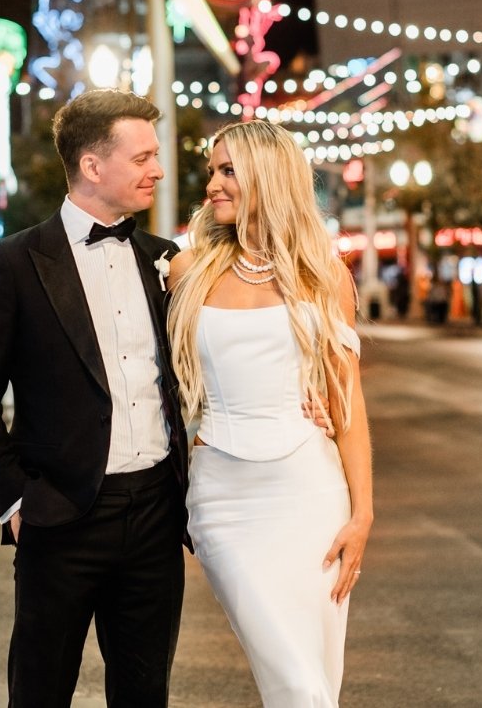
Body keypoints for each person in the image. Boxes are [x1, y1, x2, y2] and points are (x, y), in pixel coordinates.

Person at [0, 88, 190, 708]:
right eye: (142, 158)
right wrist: (12, 501)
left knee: (146, 693)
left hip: (156, 515)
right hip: (59, 516)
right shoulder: (14, 262)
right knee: (40, 691)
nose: (157, 171)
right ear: (92, 165)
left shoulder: (164, 260)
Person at [167, 120, 373, 708]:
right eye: (212, 171)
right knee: (297, 683)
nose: (212, 185)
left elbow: (347, 399)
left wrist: (363, 514)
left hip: (311, 493)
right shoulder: (188, 272)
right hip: (223, 500)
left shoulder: (323, 275)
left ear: (268, 176)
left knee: (314, 676)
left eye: (227, 171)